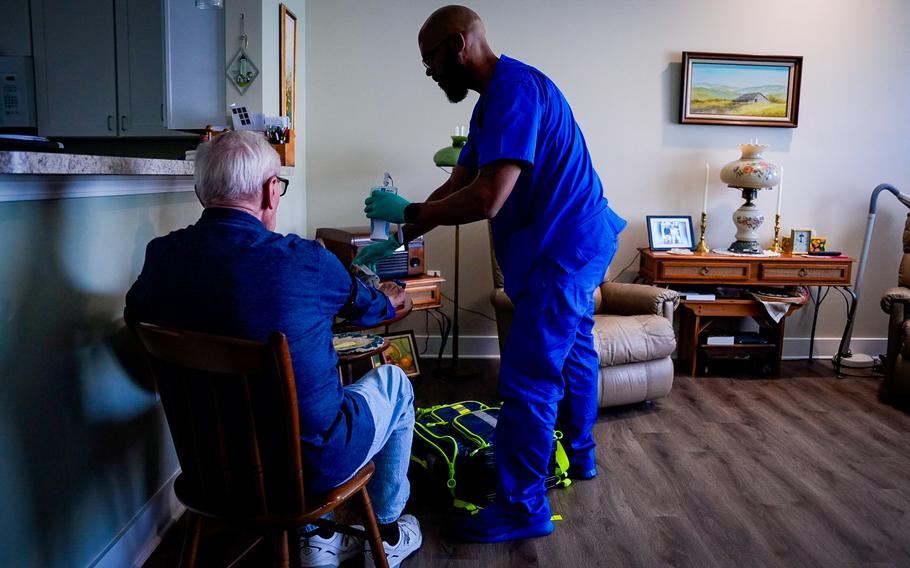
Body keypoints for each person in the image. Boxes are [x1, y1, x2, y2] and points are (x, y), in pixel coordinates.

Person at [355, 5, 627, 543]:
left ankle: (522, 507)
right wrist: (395, 236)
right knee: (575, 349)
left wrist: (412, 212)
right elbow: (455, 187)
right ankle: (580, 455)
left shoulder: (514, 92)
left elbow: (486, 198)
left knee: (529, 376)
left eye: (430, 58)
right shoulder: (492, 103)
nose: (428, 71)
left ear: (459, 44)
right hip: (578, 237)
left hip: (563, 248)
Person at [125, 131, 422, 568]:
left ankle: (317, 536)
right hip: (307, 472)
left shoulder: (161, 258)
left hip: (211, 469)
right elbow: (372, 309)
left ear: (200, 192)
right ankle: (387, 531)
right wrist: (393, 299)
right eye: (278, 188)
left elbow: (137, 319)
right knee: (394, 382)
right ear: (269, 190)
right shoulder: (307, 261)